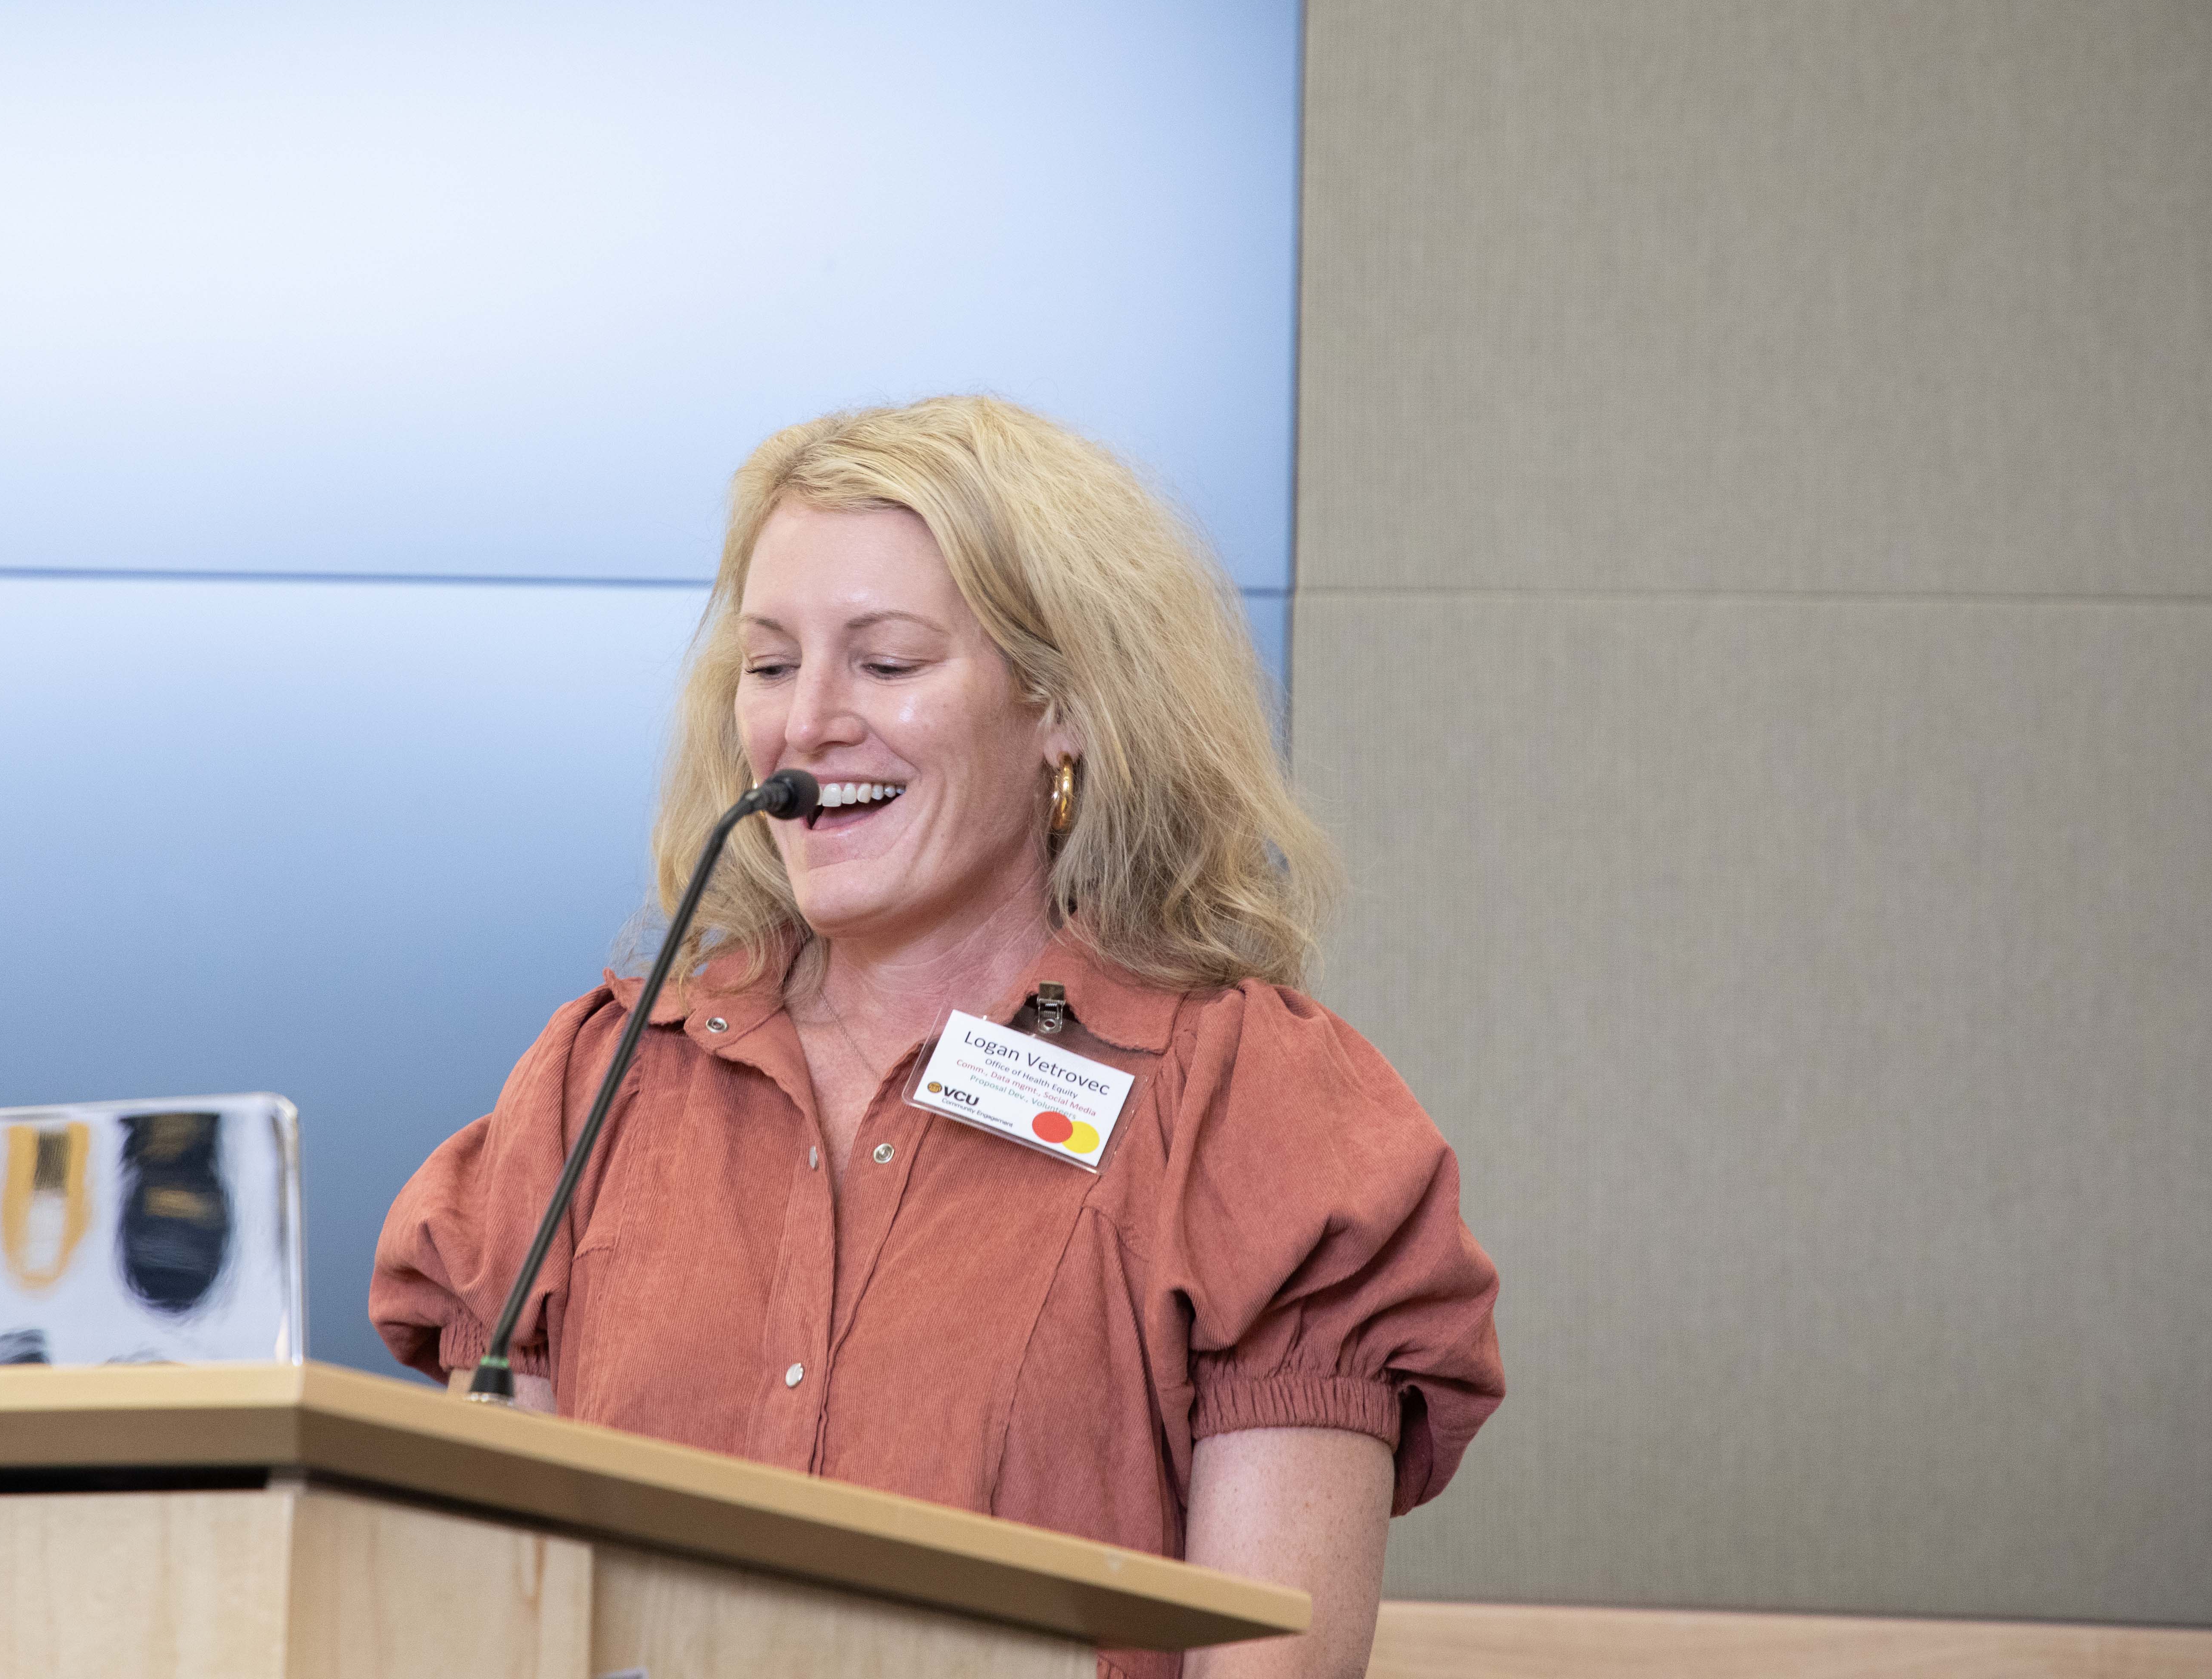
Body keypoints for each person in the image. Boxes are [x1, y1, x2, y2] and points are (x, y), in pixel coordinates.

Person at [371, 396, 1502, 1679]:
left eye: (887, 663)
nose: (808, 724)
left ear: (1064, 710)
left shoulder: (1254, 1113)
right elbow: (484, 1630)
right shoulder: (602, 1086)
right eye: (771, 664)